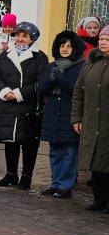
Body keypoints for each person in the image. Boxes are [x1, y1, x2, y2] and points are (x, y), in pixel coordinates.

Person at [0, 21, 48, 189]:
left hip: (28, 104)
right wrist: (4, 91)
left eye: (25, 36)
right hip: (7, 103)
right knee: (10, 139)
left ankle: (26, 176)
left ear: (32, 39)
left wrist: (19, 94)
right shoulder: (5, 54)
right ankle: (11, 174)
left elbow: (42, 82)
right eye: (18, 35)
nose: (20, 39)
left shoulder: (40, 57)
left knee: (29, 142)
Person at [37, 30, 86, 199]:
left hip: (70, 113)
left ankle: (65, 185)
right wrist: (51, 79)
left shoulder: (81, 67)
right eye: (62, 45)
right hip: (53, 113)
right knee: (55, 150)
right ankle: (55, 183)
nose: (65, 49)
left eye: (69, 46)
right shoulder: (52, 66)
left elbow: (77, 90)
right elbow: (41, 89)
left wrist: (61, 79)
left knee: (70, 152)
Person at [73, 30, 109, 212]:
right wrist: (76, 118)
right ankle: (99, 199)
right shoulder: (91, 63)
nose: (103, 42)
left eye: (107, 39)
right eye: (101, 39)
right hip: (92, 121)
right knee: (96, 162)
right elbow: (78, 93)